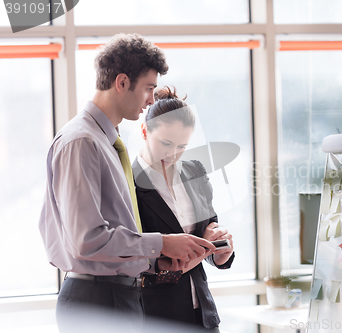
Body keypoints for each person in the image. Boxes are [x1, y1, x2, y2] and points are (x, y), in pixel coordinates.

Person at [38, 34, 215, 333]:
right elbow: (87, 240)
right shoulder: (82, 142)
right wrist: (162, 243)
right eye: (148, 88)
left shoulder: (107, 143)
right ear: (121, 82)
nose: (150, 99)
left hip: (120, 296)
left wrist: (156, 263)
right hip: (97, 300)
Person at [132, 87, 235, 331]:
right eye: (166, 143)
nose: (173, 154)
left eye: (182, 146)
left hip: (203, 315)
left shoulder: (194, 171)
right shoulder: (128, 182)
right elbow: (131, 257)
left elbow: (209, 231)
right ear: (145, 131)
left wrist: (219, 254)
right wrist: (193, 256)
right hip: (155, 317)